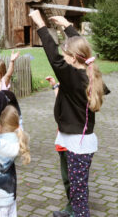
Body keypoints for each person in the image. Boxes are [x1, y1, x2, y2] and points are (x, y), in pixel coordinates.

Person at [29, 11, 106, 217]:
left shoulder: (75, 79)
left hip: (77, 142)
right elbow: (82, 50)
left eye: (66, 56)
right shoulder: (90, 73)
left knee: (79, 192)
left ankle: (78, 213)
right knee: (75, 184)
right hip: (76, 139)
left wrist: (40, 24)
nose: (63, 59)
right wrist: (68, 27)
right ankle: (72, 210)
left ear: (73, 60)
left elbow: (54, 57)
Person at [46, 76, 73, 217]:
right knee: (66, 177)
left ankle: (74, 209)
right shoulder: (66, 90)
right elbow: (60, 102)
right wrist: (55, 86)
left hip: (72, 144)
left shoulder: (74, 93)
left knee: (73, 178)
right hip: (63, 142)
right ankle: (73, 205)